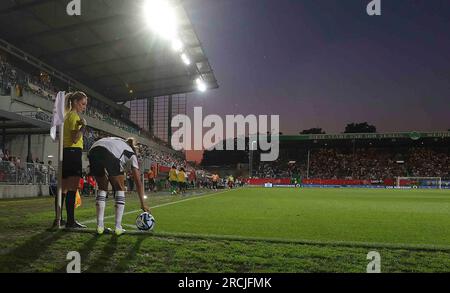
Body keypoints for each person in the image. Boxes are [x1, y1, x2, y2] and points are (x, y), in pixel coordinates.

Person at [88, 137, 150, 236]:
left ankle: (100, 226)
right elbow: (138, 182)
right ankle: (118, 227)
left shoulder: (118, 141)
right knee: (120, 189)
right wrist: (143, 203)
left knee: (102, 188)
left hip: (93, 150)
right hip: (110, 153)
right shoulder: (131, 154)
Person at [56, 91, 88, 228]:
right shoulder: (74, 116)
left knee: (62, 189)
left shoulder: (67, 115)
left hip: (65, 152)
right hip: (73, 152)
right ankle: (70, 221)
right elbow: (75, 139)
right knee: (72, 188)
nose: (84, 107)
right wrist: (84, 127)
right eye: (83, 104)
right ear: (75, 102)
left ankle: (58, 219)